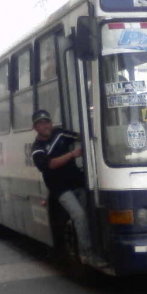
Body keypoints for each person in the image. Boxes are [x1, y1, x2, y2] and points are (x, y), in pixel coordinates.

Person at [30, 110, 104, 267]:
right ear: (35, 127)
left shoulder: (60, 134)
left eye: (47, 122)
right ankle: (86, 254)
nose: (45, 126)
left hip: (78, 183)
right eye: (41, 123)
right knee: (80, 216)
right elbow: (50, 164)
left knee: (91, 215)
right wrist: (72, 154)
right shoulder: (37, 149)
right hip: (61, 190)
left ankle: (98, 249)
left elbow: (79, 136)